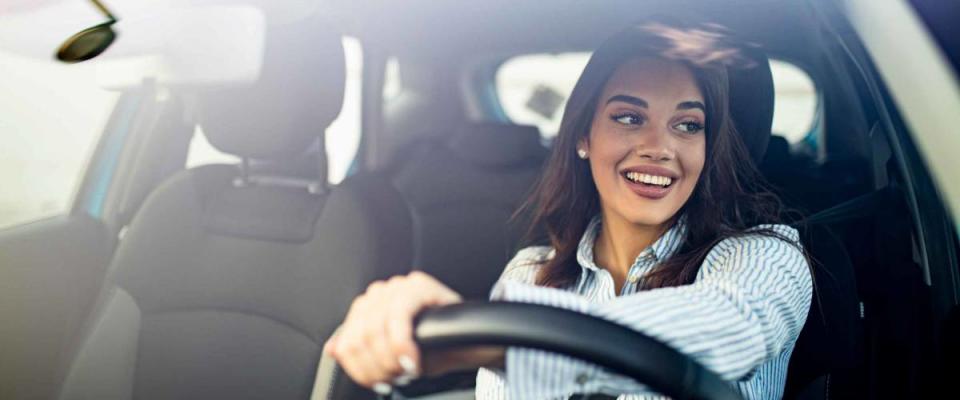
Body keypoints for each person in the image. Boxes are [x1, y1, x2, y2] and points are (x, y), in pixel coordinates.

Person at [323, 20, 813, 400]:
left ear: (708, 149)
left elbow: (733, 326)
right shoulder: (532, 275)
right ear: (583, 136)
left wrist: (500, 340)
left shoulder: (767, 257)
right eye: (628, 117)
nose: (659, 147)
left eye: (687, 125)